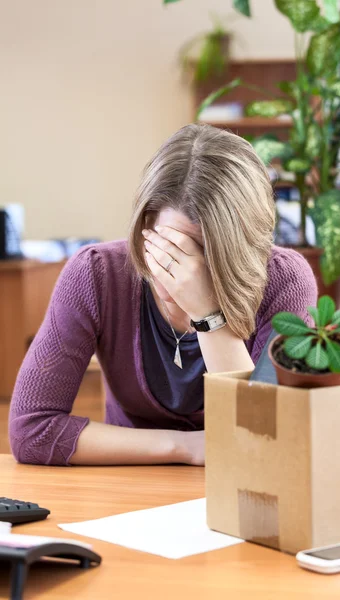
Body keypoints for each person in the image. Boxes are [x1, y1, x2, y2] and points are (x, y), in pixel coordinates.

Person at [8, 124, 317, 467]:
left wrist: (208, 315)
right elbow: (33, 431)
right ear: (144, 227)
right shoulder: (97, 273)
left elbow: (270, 439)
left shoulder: (284, 280)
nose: (180, 273)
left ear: (244, 249)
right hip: (129, 492)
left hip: (246, 490)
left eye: (202, 253)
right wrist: (187, 447)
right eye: (168, 247)